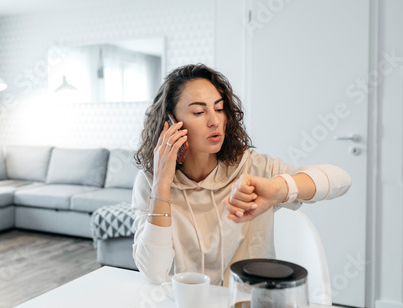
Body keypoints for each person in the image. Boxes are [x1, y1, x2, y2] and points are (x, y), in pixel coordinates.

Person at [131, 64, 351, 287]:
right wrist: (162, 185)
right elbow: (154, 274)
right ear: (170, 121)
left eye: (219, 109)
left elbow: (341, 180)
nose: (214, 121)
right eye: (198, 112)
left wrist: (278, 190)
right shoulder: (151, 182)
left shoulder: (252, 168)